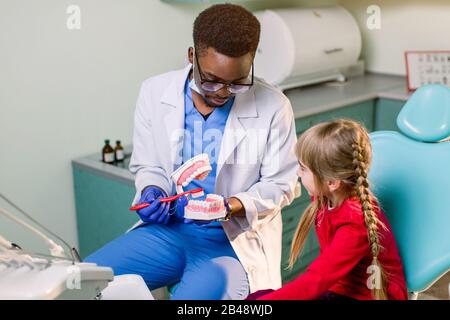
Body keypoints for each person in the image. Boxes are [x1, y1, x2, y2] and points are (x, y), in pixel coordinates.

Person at [84, 4, 299, 300]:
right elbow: (149, 165)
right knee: (82, 283)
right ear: (191, 56)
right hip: (168, 232)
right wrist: (151, 190)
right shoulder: (154, 92)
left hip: (231, 244)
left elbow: (282, 185)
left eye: (236, 83)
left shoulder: (274, 106)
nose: (222, 92)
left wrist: (230, 205)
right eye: (211, 79)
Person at [249, 119, 407, 300]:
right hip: (339, 287)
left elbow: (316, 280)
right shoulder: (327, 194)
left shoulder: (354, 224)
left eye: (303, 169)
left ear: (331, 182)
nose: (298, 173)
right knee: (258, 296)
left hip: (369, 295)